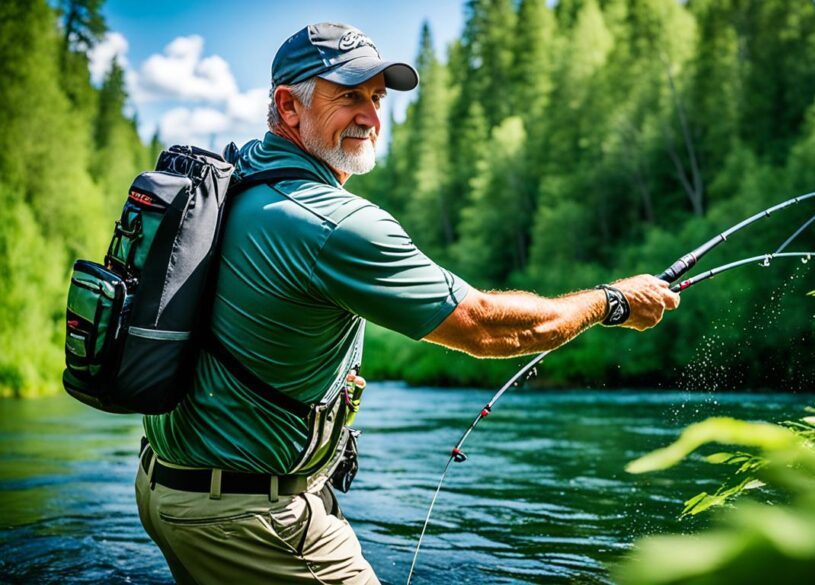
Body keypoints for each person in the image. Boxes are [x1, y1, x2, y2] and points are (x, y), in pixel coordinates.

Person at [134, 22, 679, 585]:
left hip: (166, 489)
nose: (370, 117)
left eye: (376, 98)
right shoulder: (335, 226)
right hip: (248, 519)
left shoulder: (237, 175)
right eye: (348, 96)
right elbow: (485, 328)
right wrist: (609, 302)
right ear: (288, 108)